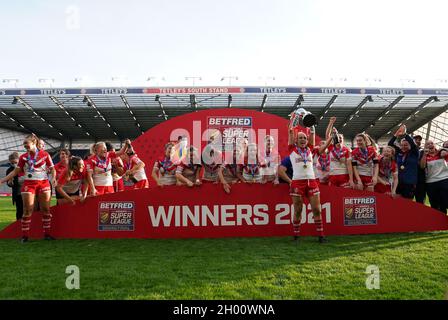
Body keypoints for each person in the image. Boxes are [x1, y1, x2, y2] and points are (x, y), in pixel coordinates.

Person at [0, 134, 56, 242]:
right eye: (24, 143)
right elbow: (15, 171)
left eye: (26, 143)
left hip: (44, 183)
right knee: (27, 210)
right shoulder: (23, 157)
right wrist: (2, 180)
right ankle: (25, 236)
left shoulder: (45, 154)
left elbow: (53, 169)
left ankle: (47, 235)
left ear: (34, 142)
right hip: (29, 184)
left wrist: (53, 178)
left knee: (46, 210)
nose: (24, 145)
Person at [288, 123, 327, 243]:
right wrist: (293, 121)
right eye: (300, 137)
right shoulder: (292, 149)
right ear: (296, 139)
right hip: (297, 182)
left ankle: (321, 236)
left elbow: (312, 135)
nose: (303, 139)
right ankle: (296, 236)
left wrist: (312, 126)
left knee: (316, 209)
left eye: (305, 137)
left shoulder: (311, 150)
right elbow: (290, 131)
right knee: (298, 209)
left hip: (312, 181)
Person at [387, 125, 419, 199]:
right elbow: (390, 144)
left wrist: (405, 134)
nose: (404, 146)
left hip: (409, 182)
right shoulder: (398, 152)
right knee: (398, 201)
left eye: (406, 145)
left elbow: (413, 144)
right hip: (399, 181)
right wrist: (396, 134)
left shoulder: (414, 153)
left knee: (407, 201)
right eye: (402, 145)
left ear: (410, 145)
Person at [323, 117, 355, 188]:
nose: (339, 139)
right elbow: (327, 135)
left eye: (341, 138)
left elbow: (349, 166)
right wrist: (331, 123)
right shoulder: (331, 147)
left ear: (343, 140)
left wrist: (351, 179)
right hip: (332, 176)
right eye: (338, 137)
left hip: (343, 175)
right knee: (334, 196)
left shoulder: (347, 150)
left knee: (344, 196)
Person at [420, 140, 448, 214]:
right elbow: (422, 166)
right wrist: (425, 155)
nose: (430, 145)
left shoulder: (441, 152)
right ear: (425, 147)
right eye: (427, 144)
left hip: (444, 180)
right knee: (434, 203)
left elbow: (445, 151)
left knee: (444, 202)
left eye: (431, 143)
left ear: (434, 145)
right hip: (431, 182)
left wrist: (444, 150)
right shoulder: (424, 155)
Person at [5, 152, 24, 220]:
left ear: (19, 160)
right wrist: (10, 182)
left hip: (28, 191)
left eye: (15, 162)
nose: (14, 164)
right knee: (19, 211)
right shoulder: (9, 170)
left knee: (29, 210)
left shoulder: (25, 167)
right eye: (12, 163)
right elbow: (9, 184)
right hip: (18, 194)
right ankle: (19, 226)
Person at [413, 135, 426, 203]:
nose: (418, 141)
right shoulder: (407, 151)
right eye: (416, 139)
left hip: (420, 179)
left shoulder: (423, 151)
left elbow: (422, 165)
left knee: (420, 200)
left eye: (419, 140)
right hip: (409, 179)